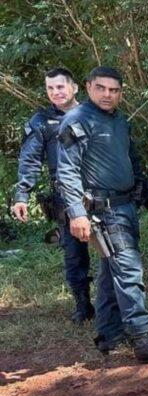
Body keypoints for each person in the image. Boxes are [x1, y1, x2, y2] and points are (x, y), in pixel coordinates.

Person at [56, 66, 148, 362]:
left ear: (121, 93)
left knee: (109, 273)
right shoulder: (76, 120)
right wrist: (77, 214)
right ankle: (142, 339)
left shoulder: (120, 121)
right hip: (102, 212)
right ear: (88, 87)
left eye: (114, 90)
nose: (107, 95)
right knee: (129, 271)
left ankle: (109, 335)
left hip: (125, 208)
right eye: (101, 88)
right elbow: (67, 171)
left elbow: (133, 162)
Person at [11, 68, 93, 323]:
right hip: (67, 197)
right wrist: (22, 194)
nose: (55, 92)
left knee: (114, 251)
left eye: (60, 87)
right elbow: (30, 159)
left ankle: (115, 304)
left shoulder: (94, 113)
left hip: (101, 191)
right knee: (74, 253)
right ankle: (83, 305)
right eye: (50, 88)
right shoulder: (41, 122)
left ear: (75, 87)